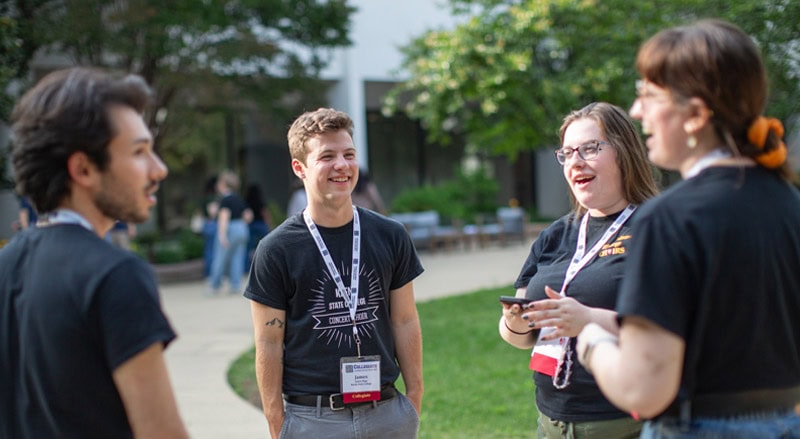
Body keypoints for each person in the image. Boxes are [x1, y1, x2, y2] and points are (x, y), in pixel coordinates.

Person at [575, 19, 800, 438]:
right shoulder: (790, 202)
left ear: (695, 115)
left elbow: (643, 390)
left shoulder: (668, 218)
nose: (637, 111)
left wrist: (592, 342)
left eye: (648, 96)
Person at [0, 67, 188, 438]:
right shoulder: (116, 273)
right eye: (139, 152)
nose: (159, 169)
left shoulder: (5, 266)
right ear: (83, 168)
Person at [244, 107, 424, 438]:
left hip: (386, 414)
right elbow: (268, 342)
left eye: (349, 154)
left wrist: (413, 399)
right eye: (327, 156)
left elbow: (405, 320)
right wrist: (276, 420)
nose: (342, 165)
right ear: (299, 167)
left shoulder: (391, 235)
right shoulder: (276, 249)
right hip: (313, 419)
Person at [499, 102, 658, 438]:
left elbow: (672, 331)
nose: (576, 162)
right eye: (568, 153)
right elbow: (520, 336)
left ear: (624, 152)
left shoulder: (656, 228)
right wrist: (514, 321)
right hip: (551, 423)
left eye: (590, 148)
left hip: (626, 424)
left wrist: (587, 318)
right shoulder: (555, 234)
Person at [208, 170, 251, 295]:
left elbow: (224, 217)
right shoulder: (238, 199)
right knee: (237, 257)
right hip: (241, 228)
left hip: (230, 228)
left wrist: (222, 235)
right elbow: (248, 215)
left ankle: (215, 285)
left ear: (223, 184)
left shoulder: (225, 200)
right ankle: (235, 284)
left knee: (220, 257)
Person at [245, 183, 271, 271]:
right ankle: (266, 266)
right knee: (268, 245)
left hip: (251, 225)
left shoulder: (247, 201)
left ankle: (247, 268)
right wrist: (269, 225)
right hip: (261, 224)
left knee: (249, 247)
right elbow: (265, 213)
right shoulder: (260, 200)